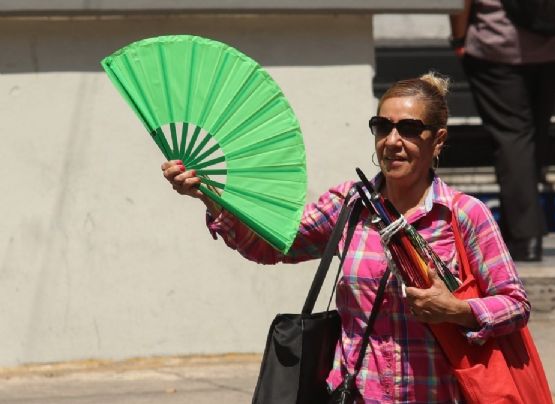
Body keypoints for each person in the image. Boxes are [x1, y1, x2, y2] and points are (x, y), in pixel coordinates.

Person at [160, 72, 529, 403]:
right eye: (383, 127)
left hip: (436, 393)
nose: (393, 140)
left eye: (411, 129)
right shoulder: (349, 203)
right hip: (355, 393)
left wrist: (457, 310)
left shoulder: (462, 214)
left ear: (438, 140)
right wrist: (209, 196)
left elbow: (515, 304)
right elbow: (273, 246)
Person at [450, 0, 555, 261]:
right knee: (534, 133)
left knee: (513, 135)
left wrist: (458, 39)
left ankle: (525, 237)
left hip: (499, 41)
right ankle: (519, 229)